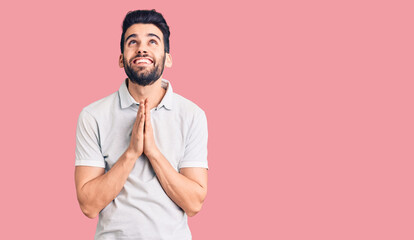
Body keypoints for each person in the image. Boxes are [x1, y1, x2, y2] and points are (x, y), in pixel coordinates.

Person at [74, 9, 208, 239]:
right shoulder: (92, 116)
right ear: (120, 58)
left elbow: (194, 204)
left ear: (167, 56)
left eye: (152, 41)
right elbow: (88, 205)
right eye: (132, 42)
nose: (142, 48)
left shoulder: (192, 115)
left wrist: (153, 153)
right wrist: (132, 153)